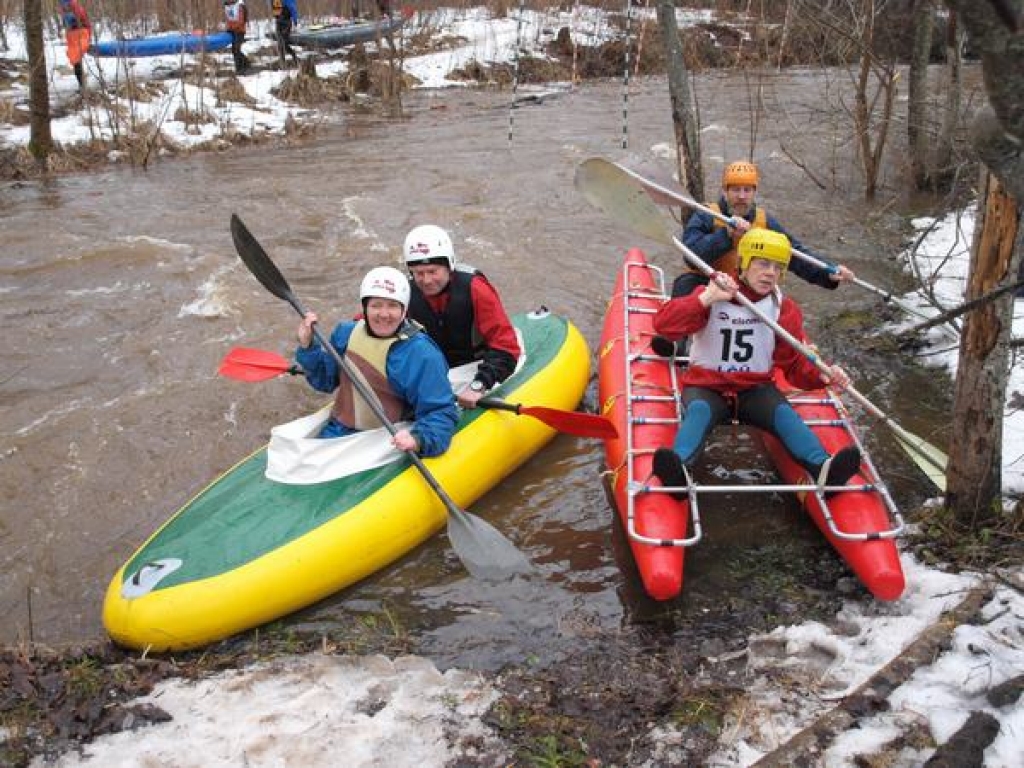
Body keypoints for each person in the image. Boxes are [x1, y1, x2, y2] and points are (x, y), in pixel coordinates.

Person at [650, 228, 863, 497]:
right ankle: (679, 470)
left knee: (785, 415)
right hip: (707, 387)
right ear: (744, 263)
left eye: (778, 267)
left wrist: (821, 376)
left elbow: (794, 365)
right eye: (763, 264)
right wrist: (705, 299)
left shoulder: (784, 308)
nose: (770, 273)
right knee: (699, 413)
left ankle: (824, 469)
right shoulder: (712, 293)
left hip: (756, 390)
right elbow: (664, 325)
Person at [295, 266, 458, 457]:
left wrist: (418, 439)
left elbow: (441, 412)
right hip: (339, 432)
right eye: (376, 305)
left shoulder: (421, 354)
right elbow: (324, 381)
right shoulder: (345, 333)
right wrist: (308, 346)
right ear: (365, 308)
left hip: (388, 440)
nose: (384, 314)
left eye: (392, 305)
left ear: (404, 310)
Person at [673, 160, 856, 299]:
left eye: (747, 190)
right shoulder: (706, 215)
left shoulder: (764, 221)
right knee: (684, 283)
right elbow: (690, 257)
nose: (741, 196)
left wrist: (828, 273)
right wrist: (726, 235)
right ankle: (674, 343)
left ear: (754, 192)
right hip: (710, 284)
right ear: (725, 191)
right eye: (736, 190)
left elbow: (794, 253)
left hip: (746, 286)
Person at [402, 224, 522, 409]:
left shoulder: (475, 288)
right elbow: (373, 320)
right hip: (439, 371)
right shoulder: (404, 293)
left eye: (433, 271)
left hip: (478, 367)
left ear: (449, 266)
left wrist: (479, 385)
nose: (426, 280)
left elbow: (505, 346)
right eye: (419, 273)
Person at [58, 0, 91, 92]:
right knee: (75, 61)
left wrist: (88, 36)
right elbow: (66, 25)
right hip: (72, 37)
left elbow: (86, 23)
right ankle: (82, 85)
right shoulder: (63, 9)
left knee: (76, 60)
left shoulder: (77, 8)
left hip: (81, 35)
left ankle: (82, 86)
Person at [223, 0, 250, 75]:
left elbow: (241, 21)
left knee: (236, 49)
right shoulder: (228, 6)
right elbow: (228, 20)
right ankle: (245, 63)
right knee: (234, 50)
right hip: (232, 30)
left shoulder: (240, 6)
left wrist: (232, 27)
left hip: (240, 31)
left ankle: (240, 69)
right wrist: (229, 28)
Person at [271, 0, 300, 67]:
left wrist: (295, 20)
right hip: (278, 22)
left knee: (284, 42)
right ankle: (283, 63)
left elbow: (293, 8)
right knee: (279, 43)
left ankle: (294, 56)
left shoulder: (288, 1)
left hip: (286, 22)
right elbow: (274, 9)